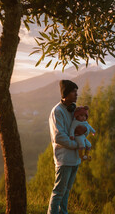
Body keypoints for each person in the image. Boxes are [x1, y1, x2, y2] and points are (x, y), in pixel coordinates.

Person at [47, 80, 86, 214]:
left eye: (76, 91)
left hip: (75, 159)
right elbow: (59, 137)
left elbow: (82, 129)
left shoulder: (74, 110)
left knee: (67, 191)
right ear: (65, 93)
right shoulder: (57, 111)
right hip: (64, 159)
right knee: (58, 192)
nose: (76, 94)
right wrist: (77, 145)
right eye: (73, 91)